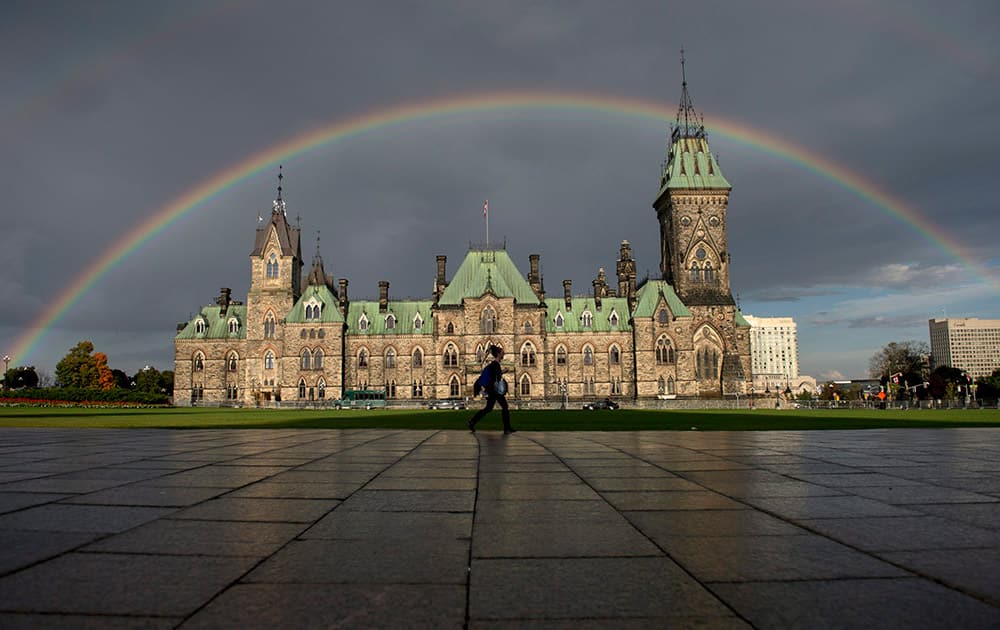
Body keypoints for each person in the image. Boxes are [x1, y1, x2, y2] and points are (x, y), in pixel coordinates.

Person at [467, 345, 515, 434]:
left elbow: (495, 376)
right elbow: (496, 376)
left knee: (488, 408)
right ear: (498, 354)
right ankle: (507, 428)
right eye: (502, 352)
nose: (503, 354)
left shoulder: (494, 364)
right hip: (494, 390)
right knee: (504, 407)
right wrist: (503, 371)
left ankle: (472, 421)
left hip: (492, 390)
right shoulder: (495, 364)